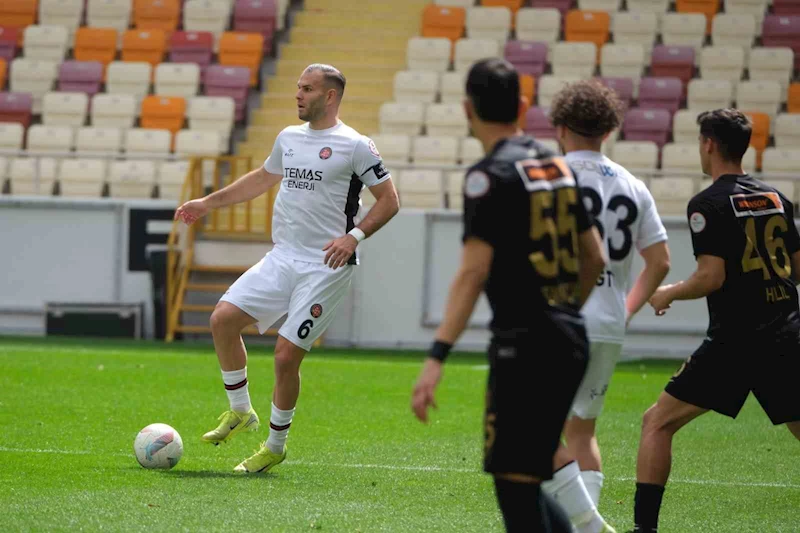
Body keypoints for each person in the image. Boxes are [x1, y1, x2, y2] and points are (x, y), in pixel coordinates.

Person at [410, 58, 607, 532]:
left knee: (516, 490)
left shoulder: (488, 175)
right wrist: (562, 312)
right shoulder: (556, 165)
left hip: (526, 345)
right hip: (571, 337)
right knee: (525, 480)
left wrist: (437, 355)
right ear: (521, 105)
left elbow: (473, 273)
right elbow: (595, 258)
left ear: (466, 109)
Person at [175, 63, 400, 474]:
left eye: (307, 88)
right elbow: (262, 178)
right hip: (283, 256)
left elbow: (389, 200)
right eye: (297, 87)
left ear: (330, 96)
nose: (298, 94)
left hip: (326, 266)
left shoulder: (356, 146)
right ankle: (241, 411)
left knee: (284, 357)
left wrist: (355, 237)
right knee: (223, 319)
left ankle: (275, 446)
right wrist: (207, 203)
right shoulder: (288, 138)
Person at [633, 109, 800, 532]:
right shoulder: (778, 198)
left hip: (736, 342)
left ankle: (644, 529)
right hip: (787, 332)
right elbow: (797, 269)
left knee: (657, 422)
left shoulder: (707, 204)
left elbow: (712, 277)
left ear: (708, 144)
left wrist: (667, 292)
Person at [540, 81, 671, 533]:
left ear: (559, 127)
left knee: (533, 430)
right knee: (582, 429)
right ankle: (582, 526)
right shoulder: (633, 185)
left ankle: (588, 525)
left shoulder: (548, 174)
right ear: (608, 131)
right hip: (610, 319)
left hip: (560, 315)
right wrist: (627, 310)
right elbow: (660, 262)